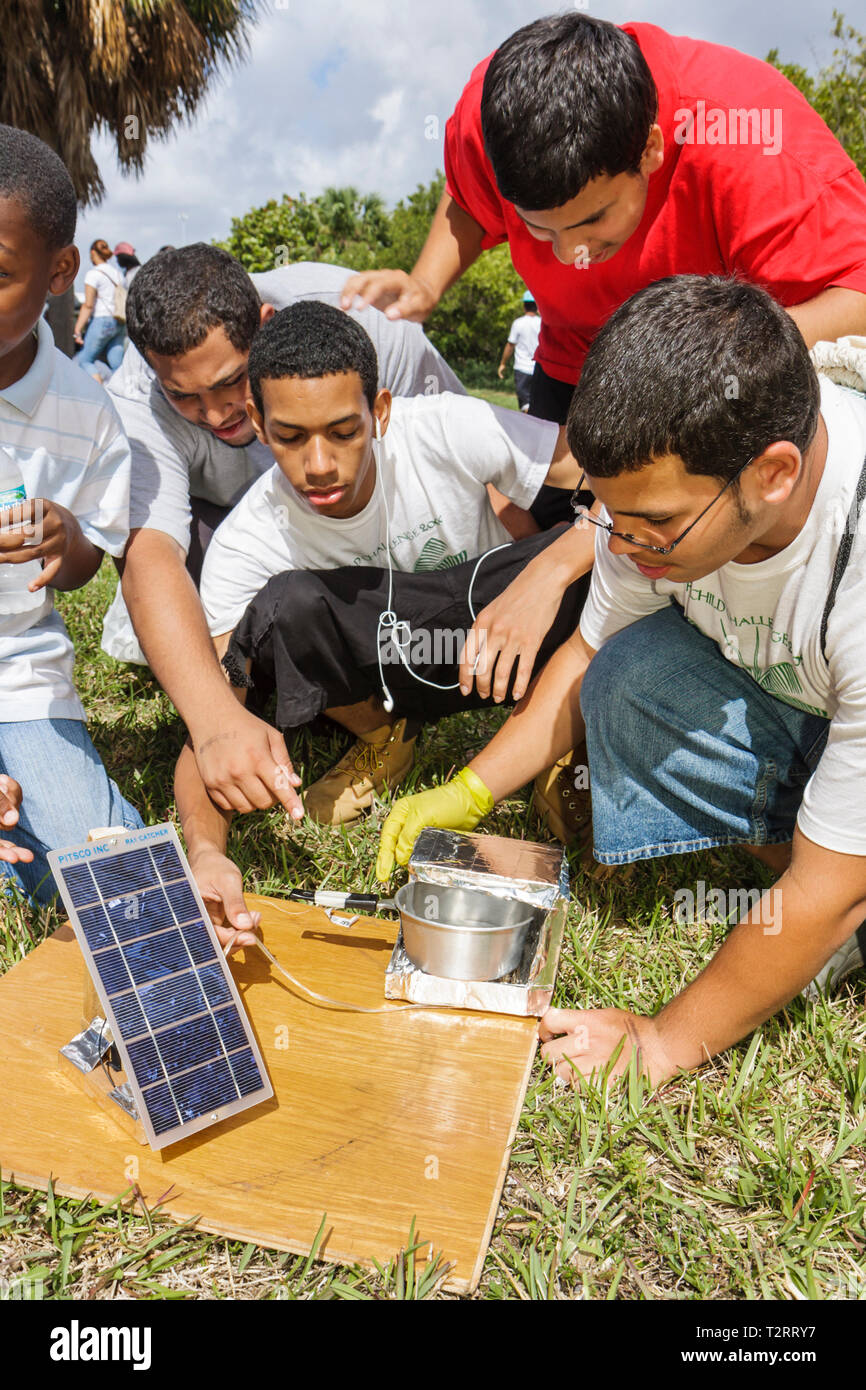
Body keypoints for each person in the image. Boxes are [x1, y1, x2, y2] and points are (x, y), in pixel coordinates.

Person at [377, 274, 866, 1083]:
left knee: (834, 887)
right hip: (816, 706)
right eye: (608, 514)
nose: (624, 545)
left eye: (658, 526)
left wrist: (662, 1043)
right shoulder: (649, 504)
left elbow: (828, 888)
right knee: (628, 679)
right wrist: (468, 790)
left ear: (774, 475)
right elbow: (587, 653)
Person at [176, 300, 589, 942]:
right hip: (392, 672)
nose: (318, 464)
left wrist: (547, 574)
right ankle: (383, 736)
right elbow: (211, 726)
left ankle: (560, 735)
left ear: (382, 412)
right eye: (290, 436)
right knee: (282, 607)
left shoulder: (450, 425)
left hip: (499, 630)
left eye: (344, 431)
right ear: (257, 422)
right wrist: (205, 854)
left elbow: (626, 486)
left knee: (591, 553)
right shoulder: (244, 545)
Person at [103, 245, 552, 832]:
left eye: (230, 383)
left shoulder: (378, 333)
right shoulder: (147, 417)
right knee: (280, 612)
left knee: (563, 550)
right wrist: (216, 724)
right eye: (184, 396)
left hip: (454, 578)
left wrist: (535, 576)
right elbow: (152, 558)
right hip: (283, 559)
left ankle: (552, 720)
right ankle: (377, 726)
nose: (214, 415)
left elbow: (494, 475)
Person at [343, 14, 866, 466]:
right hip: (574, 363)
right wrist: (425, 283)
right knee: (535, 522)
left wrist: (708, 360)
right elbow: (468, 198)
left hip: (722, 381)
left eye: (594, 220)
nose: (573, 255)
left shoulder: (749, 138)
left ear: (650, 150)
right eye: (540, 228)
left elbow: (858, 295)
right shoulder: (491, 119)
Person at [0, 126, 141, 903]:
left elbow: (93, 564)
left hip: (18, 677)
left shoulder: (87, 409)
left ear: (60, 273)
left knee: (103, 875)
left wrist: (71, 540)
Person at [73, 238, 126, 382]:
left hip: (102, 320)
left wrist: (78, 328)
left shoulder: (93, 274)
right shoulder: (118, 274)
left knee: (85, 360)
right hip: (120, 321)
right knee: (117, 364)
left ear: (92, 253)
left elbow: (88, 305)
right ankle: (120, 397)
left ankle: (98, 392)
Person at [498, 291, 540, 411]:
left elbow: (510, 345)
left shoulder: (518, 323)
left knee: (525, 405)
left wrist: (503, 363)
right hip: (538, 369)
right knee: (535, 405)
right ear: (537, 305)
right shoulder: (542, 323)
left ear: (524, 306)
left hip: (522, 369)